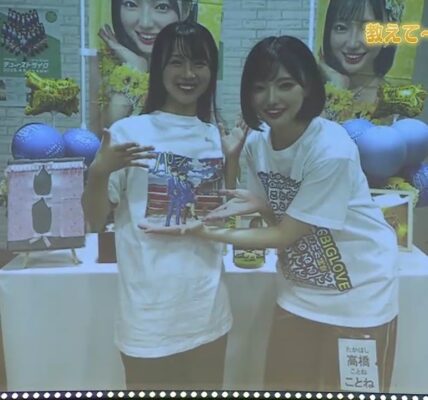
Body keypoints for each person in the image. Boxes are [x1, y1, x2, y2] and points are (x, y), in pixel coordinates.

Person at [140, 35, 399, 393]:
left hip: (360, 299)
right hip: (297, 296)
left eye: (285, 85)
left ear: (308, 87)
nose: (271, 99)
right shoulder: (258, 144)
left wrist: (202, 232)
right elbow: (272, 215)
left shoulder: (331, 149)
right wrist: (245, 184)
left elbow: (284, 234)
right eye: (259, 88)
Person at [82, 21, 234, 390]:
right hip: (147, 323)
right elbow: (94, 220)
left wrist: (231, 162)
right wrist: (99, 172)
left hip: (209, 316)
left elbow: (223, 221)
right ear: (158, 69)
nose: (188, 74)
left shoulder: (217, 136)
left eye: (199, 63)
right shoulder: (129, 132)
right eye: (176, 62)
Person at [92, 0, 194, 130]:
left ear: (186, 10)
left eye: (162, 7)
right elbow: (102, 133)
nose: (146, 23)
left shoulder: (194, 65)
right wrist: (134, 71)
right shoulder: (100, 60)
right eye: (131, 4)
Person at [320, 0, 401, 104]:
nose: (352, 44)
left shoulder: (395, 101)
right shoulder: (311, 91)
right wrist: (337, 85)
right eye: (341, 28)